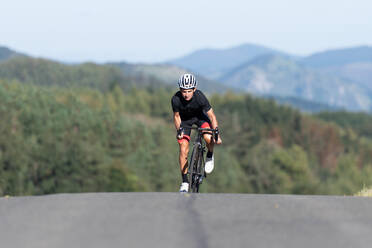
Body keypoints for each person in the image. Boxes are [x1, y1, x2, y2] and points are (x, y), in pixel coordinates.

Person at [171, 73, 222, 193]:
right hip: (185, 121)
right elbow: (177, 117)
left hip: (200, 118)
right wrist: (179, 130)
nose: (186, 94)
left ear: (194, 89)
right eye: (183, 91)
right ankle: (184, 182)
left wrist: (216, 132)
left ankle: (210, 154)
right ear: (180, 90)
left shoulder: (200, 97)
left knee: (209, 138)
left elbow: (211, 116)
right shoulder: (176, 99)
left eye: (189, 91)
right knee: (183, 149)